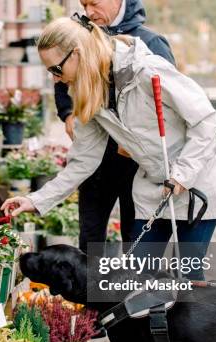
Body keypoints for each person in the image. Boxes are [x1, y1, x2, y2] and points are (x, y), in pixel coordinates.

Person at [1, 15, 216, 342]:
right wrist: (35, 200)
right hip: (154, 189)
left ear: (77, 54)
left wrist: (182, 173)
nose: (53, 78)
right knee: (133, 281)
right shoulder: (94, 91)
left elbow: (206, 122)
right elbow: (82, 161)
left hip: (196, 183)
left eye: (55, 68)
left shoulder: (148, 71)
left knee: (187, 280)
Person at [59, 0, 175, 258]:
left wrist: (142, 141)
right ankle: (92, 296)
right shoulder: (80, 38)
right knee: (90, 240)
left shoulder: (151, 43)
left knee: (134, 239)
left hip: (135, 163)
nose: (88, 11)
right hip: (96, 161)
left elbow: (169, 108)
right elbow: (62, 75)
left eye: (94, 3)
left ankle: (133, 295)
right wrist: (67, 112)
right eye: (83, 4)